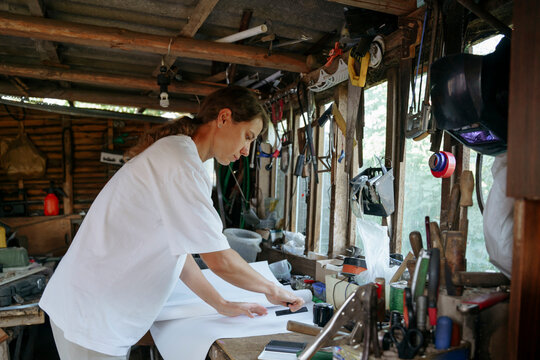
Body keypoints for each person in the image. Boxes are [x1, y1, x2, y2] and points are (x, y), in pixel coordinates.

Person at [39, 86, 304, 359]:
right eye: (247, 137)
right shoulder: (178, 161)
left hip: (99, 311)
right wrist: (273, 289)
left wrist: (221, 303)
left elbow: (177, 251)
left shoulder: (187, 160)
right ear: (224, 118)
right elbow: (220, 261)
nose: (247, 150)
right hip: (91, 316)